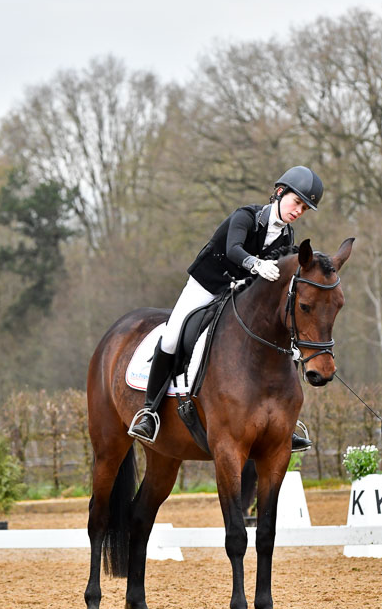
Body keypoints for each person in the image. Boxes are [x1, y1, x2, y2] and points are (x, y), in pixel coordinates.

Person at [129, 165, 324, 447]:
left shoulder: (287, 237)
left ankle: (284, 424)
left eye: (304, 209)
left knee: (287, 345)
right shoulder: (245, 216)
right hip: (207, 285)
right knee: (171, 337)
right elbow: (233, 249)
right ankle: (150, 412)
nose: (298, 211)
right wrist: (256, 264)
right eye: (297, 202)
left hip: (239, 293)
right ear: (280, 192)